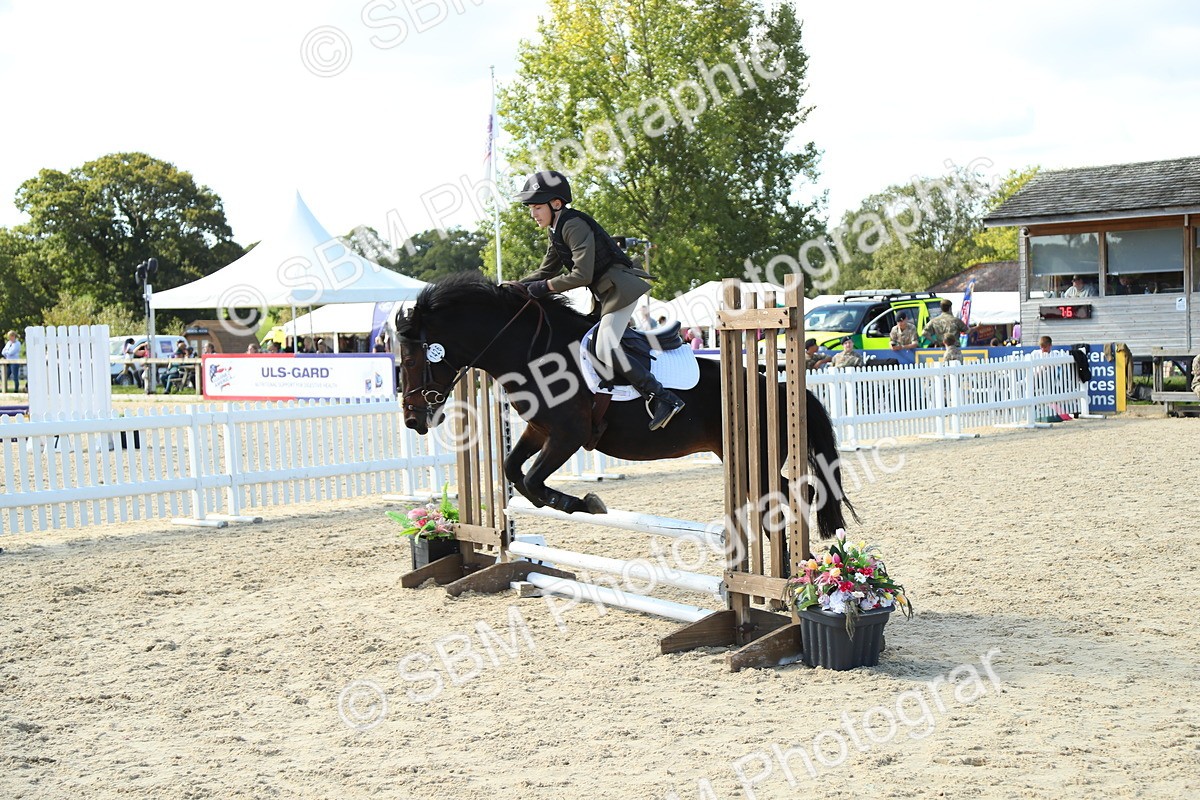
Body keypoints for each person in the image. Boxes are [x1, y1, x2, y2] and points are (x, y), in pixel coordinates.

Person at [514, 169, 683, 431]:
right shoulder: (556, 229)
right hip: (605, 295)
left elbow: (581, 275)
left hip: (620, 290)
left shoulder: (573, 225)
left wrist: (544, 287)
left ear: (556, 203)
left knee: (605, 347)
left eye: (537, 207)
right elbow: (545, 271)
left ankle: (662, 397)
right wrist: (514, 286)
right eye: (530, 208)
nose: (533, 214)